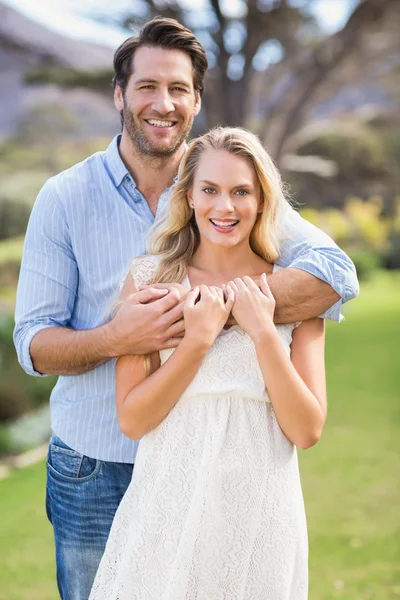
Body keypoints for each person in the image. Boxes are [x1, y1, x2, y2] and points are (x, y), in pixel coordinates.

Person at [13, 17, 358, 600]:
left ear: (196, 102)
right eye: (147, 86)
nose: (163, 102)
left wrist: (216, 311)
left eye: (178, 89)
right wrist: (122, 335)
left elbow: (335, 275)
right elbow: (33, 344)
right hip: (95, 466)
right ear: (120, 94)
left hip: (226, 472)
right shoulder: (64, 199)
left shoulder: (220, 181)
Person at [89, 126, 326, 600]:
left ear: (262, 200)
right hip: (169, 507)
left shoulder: (294, 290)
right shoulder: (148, 282)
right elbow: (134, 420)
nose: (226, 207)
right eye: (211, 190)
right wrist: (196, 341)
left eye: (242, 192)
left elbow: (306, 430)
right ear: (190, 197)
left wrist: (262, 332)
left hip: (261, 516)